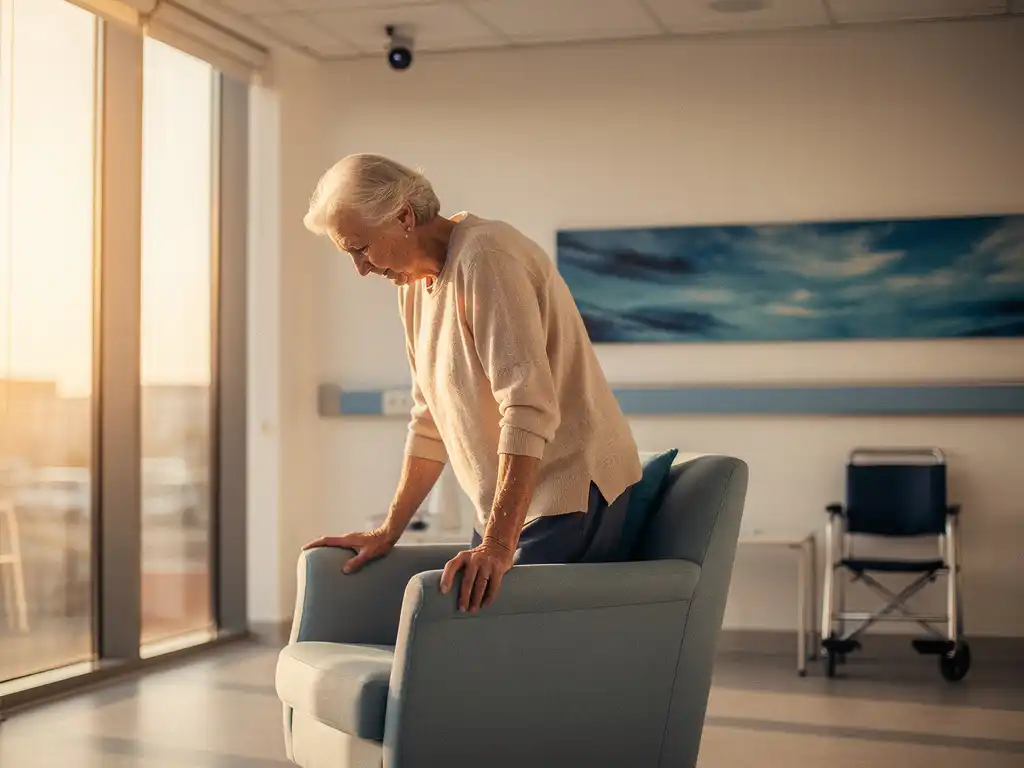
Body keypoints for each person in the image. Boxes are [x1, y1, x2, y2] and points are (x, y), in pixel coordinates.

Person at [301, 154, 641, 613]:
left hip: (567, 492)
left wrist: (499, 544)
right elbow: (429, 421)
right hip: (511, 505)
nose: (360, 268)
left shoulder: (487, 256)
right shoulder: (412, 288)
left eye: (361, 248)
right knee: (478, 648)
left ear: (403, 217)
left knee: (496, 655)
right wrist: (389, 530)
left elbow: (527, 405)